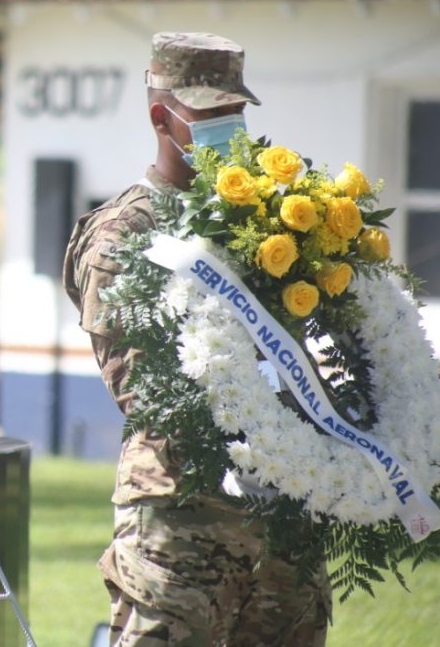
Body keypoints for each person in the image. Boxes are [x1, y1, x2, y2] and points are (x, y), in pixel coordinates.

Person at [63, 32, 330, 645]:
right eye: (212, 115)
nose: (230, 132)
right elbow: (142, 390)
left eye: (236, 114)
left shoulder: (268, 223)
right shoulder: (123, 234)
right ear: (163, 116)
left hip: (282, 519)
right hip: (182, 527)